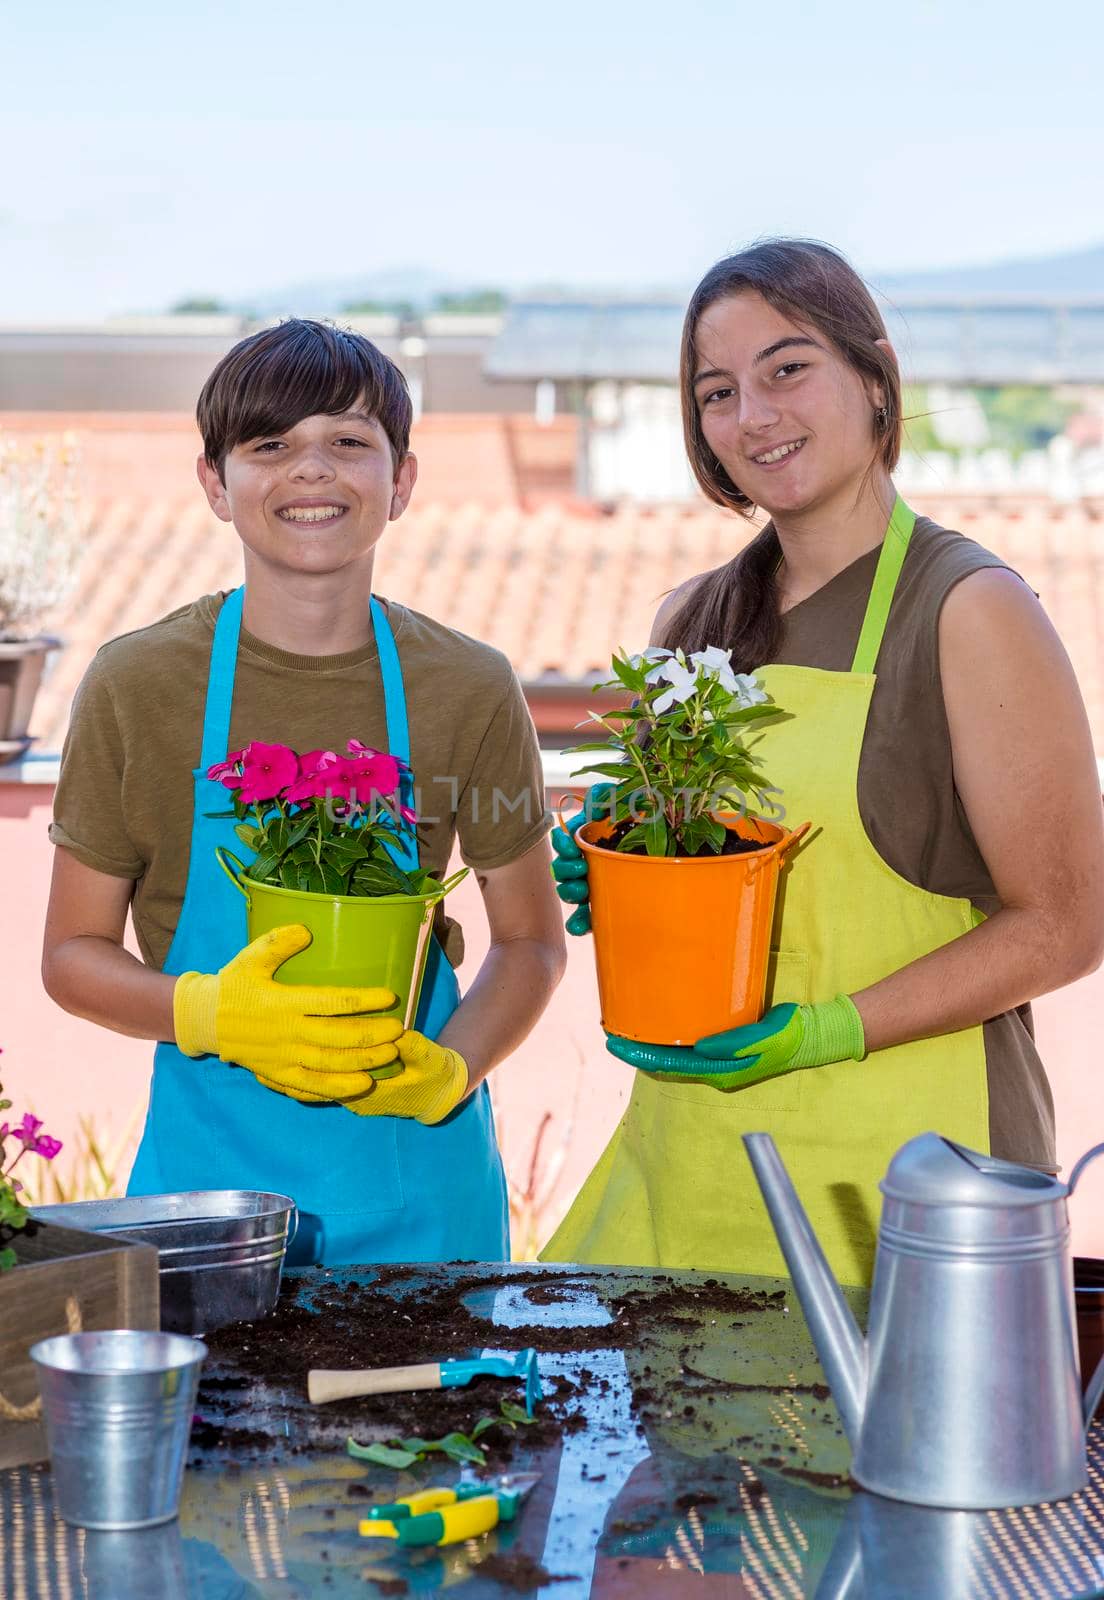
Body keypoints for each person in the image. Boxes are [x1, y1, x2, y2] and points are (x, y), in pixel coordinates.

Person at [545, 239, 1104, 1286]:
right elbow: (695, 883)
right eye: (718, 391)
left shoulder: (969, 610)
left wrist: (825, 1031)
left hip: (910, 1187)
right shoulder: (691, 621)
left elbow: (1068, 925)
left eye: (787, 368)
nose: (753, 414)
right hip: (700, 1170)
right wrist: (618, 874)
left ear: (875, 380)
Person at [42, 319, 565, 1266]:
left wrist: (452, 1071)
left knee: (445, 1422)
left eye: (350, 443)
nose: (311, 471)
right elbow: (73, 955)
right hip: (207, 1211)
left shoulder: (469, 685)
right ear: (215, 481)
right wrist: (208, 1014)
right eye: (270, 444)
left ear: (400, 481)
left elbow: (530, 942)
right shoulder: (137, 686)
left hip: (422, 1193)